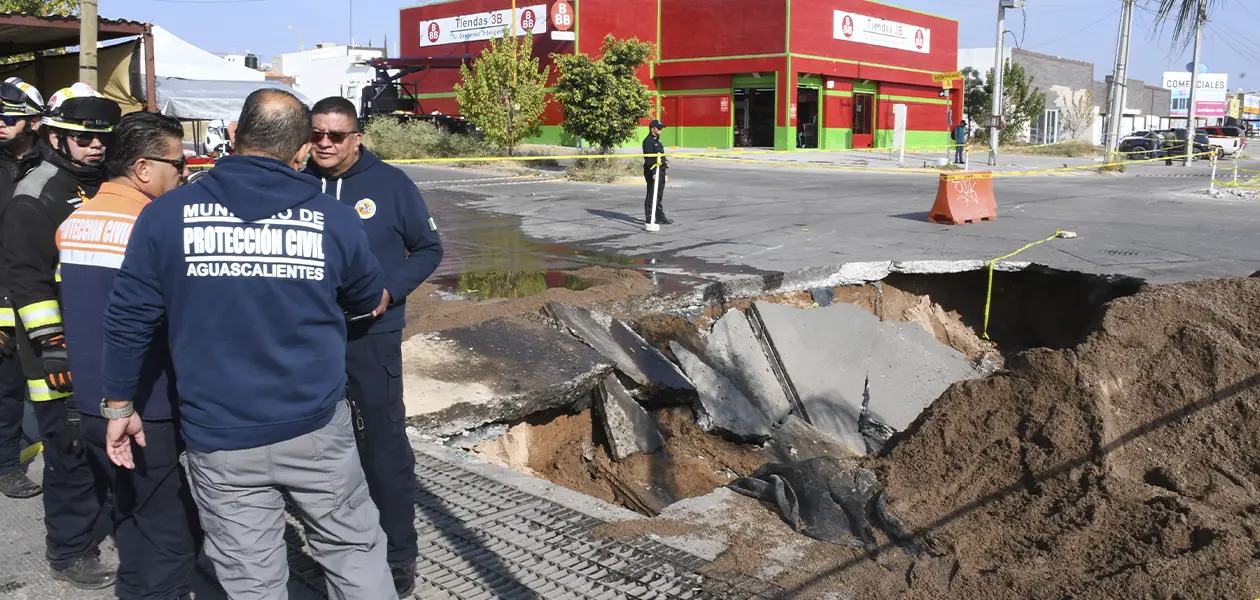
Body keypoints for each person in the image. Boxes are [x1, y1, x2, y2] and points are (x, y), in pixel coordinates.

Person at [100, 88, 395, 600]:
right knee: (352, 551)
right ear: (302, 150)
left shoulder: (168, 215)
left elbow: (129, 318)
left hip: (220, 434)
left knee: (251, 577)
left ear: (234, 137)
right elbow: (368, 297)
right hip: (315, 426)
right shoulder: (333, 218)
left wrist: (120, 403)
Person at [57, 110, 200, 600]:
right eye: (177, 165)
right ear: (143, 168)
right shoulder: (153, 226)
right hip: (147, 406)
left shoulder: (77, 219)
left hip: (92, 401)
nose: (183, 174)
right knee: (170, 536)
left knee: (131, 516)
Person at [303, 95, 443, 597]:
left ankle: (399, 552)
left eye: (335, 135)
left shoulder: (390, 184)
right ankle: (333, 546)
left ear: (356, 138)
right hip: (309, 338)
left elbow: (429, 249)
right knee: (316, 448)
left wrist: (389, 290)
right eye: (316, 133)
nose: (323, 143)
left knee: (382, 450)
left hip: (370, 338)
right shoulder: (297, 183)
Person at [0, 83, 120, 589]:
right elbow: (25, 278)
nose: (94, 147)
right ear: (56, 136)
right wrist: (52, 347)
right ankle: (69, 551)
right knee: (68, 448)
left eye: (101, 140)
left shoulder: (107, 184)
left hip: (107, 341)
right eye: (82, 138)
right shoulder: (38, 193)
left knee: (106, 443)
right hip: (56, 349)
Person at [0, 77, 46, 500]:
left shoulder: (52, 165)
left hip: (40, 292)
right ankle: (6, 466)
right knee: (6, 389)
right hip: (1, 296)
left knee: (47, 384)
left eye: (8, 116)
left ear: (32, 121)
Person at [642, 119, 671, 225]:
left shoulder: (657, 139)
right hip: (652, 171)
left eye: (661, 128)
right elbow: (649, 159)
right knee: (652, 194)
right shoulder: (648, 141)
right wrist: (653, 172)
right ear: (652, 129)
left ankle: (659, 216)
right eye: (659, 128)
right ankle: (649, 217)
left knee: (658, 195)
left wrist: (665, 161)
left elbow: (660, 154)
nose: (661, 130)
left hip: (661, 170)